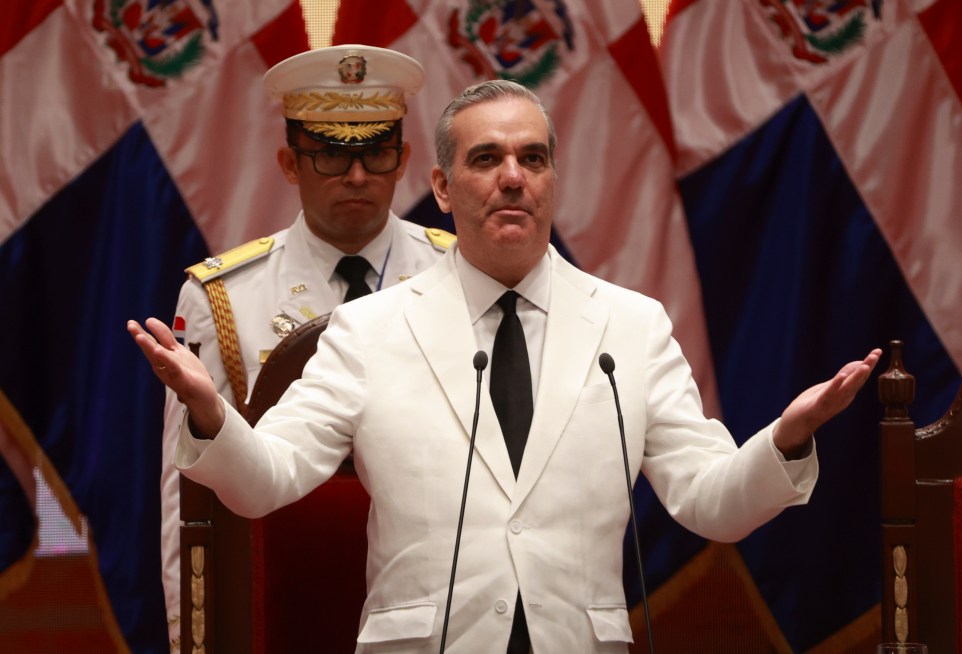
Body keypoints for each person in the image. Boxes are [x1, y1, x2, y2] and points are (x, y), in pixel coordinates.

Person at [132, 79, 881, 653]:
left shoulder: (631, 323)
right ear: (444, 188)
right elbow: (268, 481)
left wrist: (783, 441)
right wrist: (210, 413)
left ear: (554, 179)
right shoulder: (371, 329)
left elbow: (709, 501)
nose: (512, 176)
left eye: (532, 157)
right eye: (486, 159)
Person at [157, 44, 453, 650]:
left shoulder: (459, 277)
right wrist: (194, 636)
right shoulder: (222, 298)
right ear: (289, 163)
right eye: (331, 154)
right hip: (276, 592)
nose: (357, 176)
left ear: (405, 159)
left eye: (376, 151)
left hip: (437, 592)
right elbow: (187, 495)